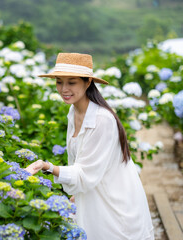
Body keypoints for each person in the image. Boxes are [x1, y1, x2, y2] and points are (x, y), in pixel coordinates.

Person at [25, 53, 154, 240]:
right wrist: (76, 193)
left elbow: (84, 173)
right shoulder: (74, 111)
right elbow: (79, 162)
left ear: (87, 83)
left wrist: (46, 167)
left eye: (72, 82)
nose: (63, 89)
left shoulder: (102, 119)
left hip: (113, 203)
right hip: (92, 195)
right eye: (59, 82)